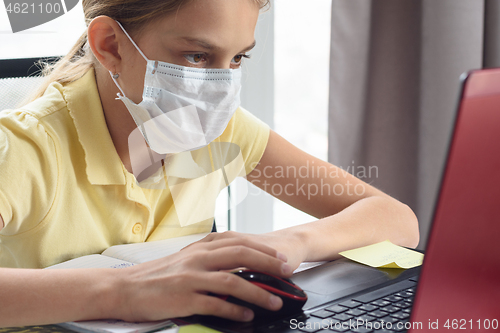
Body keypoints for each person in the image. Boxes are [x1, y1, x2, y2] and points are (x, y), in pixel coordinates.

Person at [0, 0, 419, 327]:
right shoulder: (25, 148)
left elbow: (395, 219)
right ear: (110, 45)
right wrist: (122, 290)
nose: (220, 89)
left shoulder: (222, 131)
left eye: (238, 59)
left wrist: (285, 246)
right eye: (198, 56)